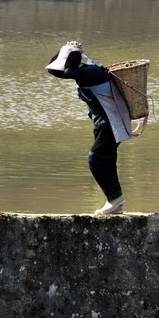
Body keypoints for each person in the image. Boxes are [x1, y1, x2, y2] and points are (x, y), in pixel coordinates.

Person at [46, 41, 134, 215]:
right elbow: (52, 70)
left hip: (112, 122)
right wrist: (65, 51)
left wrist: (75, 52)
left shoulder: (91, 72)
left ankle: (115, 199)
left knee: (97, 159)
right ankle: (116, 202)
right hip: (104, 123)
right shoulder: (83, 72)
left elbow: (69, 71)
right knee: (106, 160)